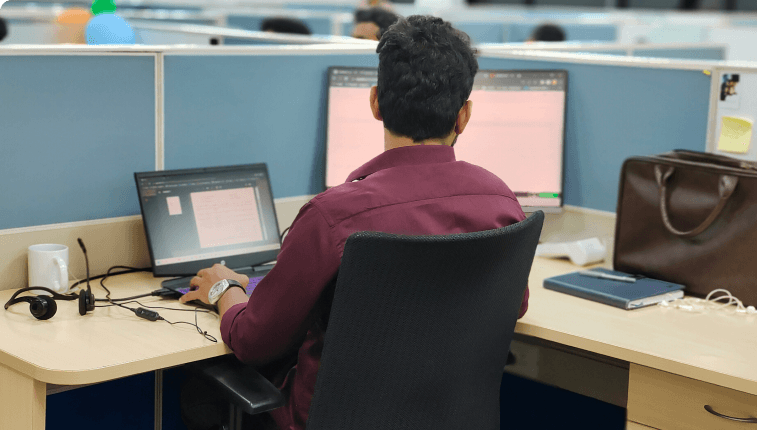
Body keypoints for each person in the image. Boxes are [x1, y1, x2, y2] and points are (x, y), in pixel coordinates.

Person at [180, 15, 528, 430]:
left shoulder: (334, 217)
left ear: (376, 103)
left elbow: (255, 341)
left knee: (196, 393)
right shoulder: (500, 201)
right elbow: (514, 304)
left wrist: (226, 288)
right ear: (464, 116)